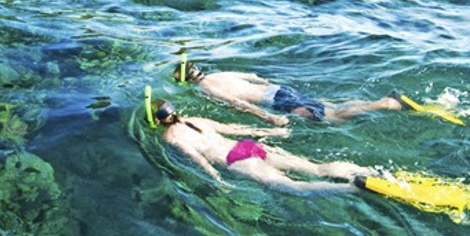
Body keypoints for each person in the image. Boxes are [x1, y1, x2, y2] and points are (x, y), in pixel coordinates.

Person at [152, 100, 372, 193]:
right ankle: (364, 171)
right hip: (247, 146)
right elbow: (233, 128)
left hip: (235, 160)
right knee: (316, 168)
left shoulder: (170, 137)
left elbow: (197, 158)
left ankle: (350, 189)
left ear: (157, 121)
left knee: (292, 187)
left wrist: (216, 179)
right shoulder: (195, 120)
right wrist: (270, 131)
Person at [175, 61, 405, 124]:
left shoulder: (207, 88)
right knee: (330, 106)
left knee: (332, 119)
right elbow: (253, 77)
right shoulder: (220, 74)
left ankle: (384, 104)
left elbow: (237, 103)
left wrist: (267, 117)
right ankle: (376, 102)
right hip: (279, 89)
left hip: (274, 102)